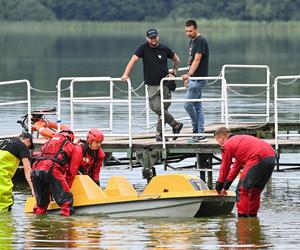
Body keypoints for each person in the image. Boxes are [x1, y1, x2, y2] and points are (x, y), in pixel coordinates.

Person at [121, 28, 183, 142]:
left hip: (165, 83)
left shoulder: (164, 48)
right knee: (156, 107)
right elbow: (133, 61)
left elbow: (177, 59)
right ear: (147, 38)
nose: (153, 39)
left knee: (163, 109)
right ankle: (175, 124)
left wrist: (174, 73)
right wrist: (126, 74)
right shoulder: (143, 48)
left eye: (155, 37)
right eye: (151, 38)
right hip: (152, 85)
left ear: (158, 37)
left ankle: (159, 134)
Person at [214, 127, 275, 217]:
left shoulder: (227, 145)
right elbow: (235, 167)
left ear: (222, 138)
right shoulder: (239, 142)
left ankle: (243, 220)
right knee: (255, 191)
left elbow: (225, 166)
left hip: (257, 157)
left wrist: (219, 185)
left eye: (217, 140)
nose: (218, 143)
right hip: (271, 157)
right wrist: (226, 186)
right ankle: (253, 218)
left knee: (242, 190)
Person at [31, 129, 80, 216]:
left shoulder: (48, 143)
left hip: (36, 170)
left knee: (41, 204)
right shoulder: (70, 145)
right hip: (52, 170)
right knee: (66, 201)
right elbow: (73, 169)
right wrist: (68, 185)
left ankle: (37, 225)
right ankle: (67, 225)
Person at [182, 19, 209, 143]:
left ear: (196, 28)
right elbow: (191, 60)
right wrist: (189, 77)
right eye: (186, 31)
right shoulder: (192, 41)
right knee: (197, 106)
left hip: (198, 78)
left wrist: (189, 74)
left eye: (191, 31)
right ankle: (200, 133)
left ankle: (197, 130)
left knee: (187, 105)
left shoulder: (201, 41)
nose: (188, 33)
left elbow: (197, 60)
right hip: (194, 78)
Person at [0, 132, 35, 211]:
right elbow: (27, 170)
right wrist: (33, 188)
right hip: (2, 180)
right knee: (4, 207)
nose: (28, 148)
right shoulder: (22, 146)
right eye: (29, 146)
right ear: (28, 140)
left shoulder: (3, 142)